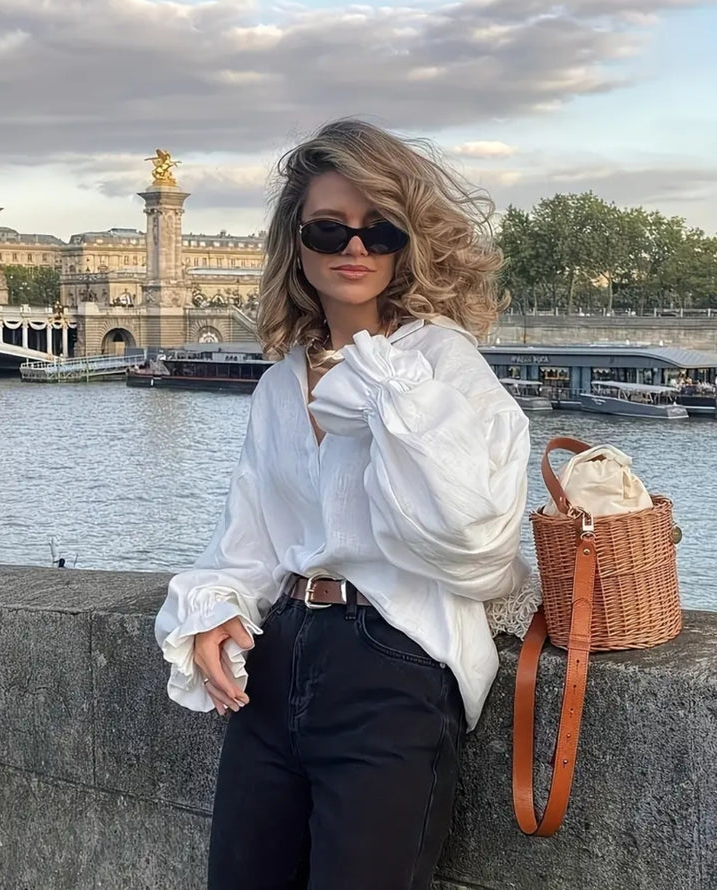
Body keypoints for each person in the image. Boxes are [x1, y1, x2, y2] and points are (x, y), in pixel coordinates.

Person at [155, 119, 530, 890]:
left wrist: (391, 394)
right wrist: (216, 610)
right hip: (276, 660)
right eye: (329, 229)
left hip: (390, 662)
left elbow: (478, 539)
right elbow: (250, 544)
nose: (354, 247)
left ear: (405, 245)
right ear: (297, 244)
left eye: (378, 229)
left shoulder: (440, 365)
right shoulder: (278, 385)